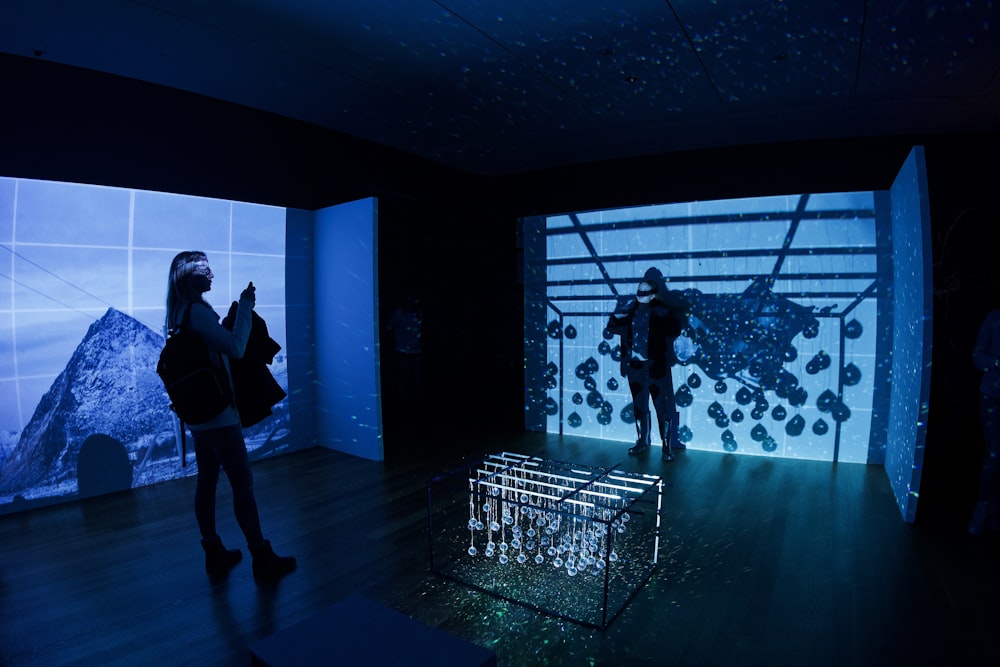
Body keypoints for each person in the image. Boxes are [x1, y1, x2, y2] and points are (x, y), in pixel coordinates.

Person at [165, 251, 297, 580]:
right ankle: (261, 556)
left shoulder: (178, 312)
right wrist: (246, 305)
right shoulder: (197, 311)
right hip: (219, 414)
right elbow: (236, 348)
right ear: (189, 277)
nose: (211, 274)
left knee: (207, 481)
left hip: (197, 415)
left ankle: (213, 551)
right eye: (204, 270)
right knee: (243, 485)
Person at [606, 267, 688, 461]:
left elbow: (674, 330)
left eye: (645, 291)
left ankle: (666, 447)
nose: (640, 294)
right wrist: (617, 313)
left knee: (662, 406)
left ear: (653, 294)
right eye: (639, 290)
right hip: (634, 366)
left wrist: (664, 315)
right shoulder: (630, 311)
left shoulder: (662, 311)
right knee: (639, 405)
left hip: (655, 367)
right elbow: (612, 328)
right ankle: (642, 441)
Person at [970, 309, 1000, 535]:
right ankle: (983, 508)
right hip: (993, 395)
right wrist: (996, 362)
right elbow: (977, 356)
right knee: (995, 455)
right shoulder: (994, 318)